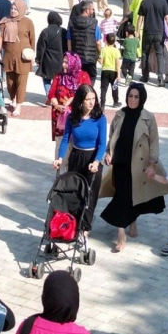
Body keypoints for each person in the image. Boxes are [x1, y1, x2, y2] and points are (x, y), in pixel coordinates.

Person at [100, 83, 168, 252]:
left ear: (142, 98)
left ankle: (132, 221)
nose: (132, 99)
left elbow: (154, 141)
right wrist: (108, 152)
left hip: (139, 164)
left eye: (136, 97)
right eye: (130, 96)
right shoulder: (119, 114)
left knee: (134, 195)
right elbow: (112, 136)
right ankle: (121, 232)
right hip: (120, 162)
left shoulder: (148, 117)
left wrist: (152, 163)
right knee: (122, 195)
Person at [54, 84, 107, 235]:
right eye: (88, 99)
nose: (91, 102)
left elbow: (102, 143)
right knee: (75, 192)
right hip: (76, 157)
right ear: (80, 101)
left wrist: (96, 162)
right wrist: (60, 158)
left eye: (93, 99)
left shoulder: (100, 118)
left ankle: (85, 228)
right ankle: (73, 222)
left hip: (93, 158)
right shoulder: (72, 117)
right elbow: (65, 139)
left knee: (90, 194)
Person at [46, 53, 91, 145]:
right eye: (63, 61)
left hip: (77, 115)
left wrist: (72, 99)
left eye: (67, 62)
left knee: (76, 144)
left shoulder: (83, 76)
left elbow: (87, 93)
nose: (63, 65)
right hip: (60, 116)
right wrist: (57, 105)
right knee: (61, 144)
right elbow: (51, 94)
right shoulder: (59, 76)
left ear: (74, 63)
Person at [1, 0, 36, 115]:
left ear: (21, 9)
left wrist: (32, 54)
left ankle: (19, 105)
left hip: (23, 58)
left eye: (16, 9)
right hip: (9, 56)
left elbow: (32, 39)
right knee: (10, 83)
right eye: (12, 8)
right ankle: (13, 98)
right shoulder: (5, 21)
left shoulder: (28, 22)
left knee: (21, 82)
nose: (13, 11)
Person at [138, 0, 168, 87]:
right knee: (159, 55)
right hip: (159, 32)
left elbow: (140, 18)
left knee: (145, 54)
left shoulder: (144, 1)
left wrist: (137, 31)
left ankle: (145, 76)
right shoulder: (163, 2)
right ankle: (160, 78)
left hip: (147, 31)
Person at [35, 11, 67, 98]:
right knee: (59, 79)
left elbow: (40, 47)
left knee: (46, 79)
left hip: (48, 59)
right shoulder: (63, 31)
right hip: (61, 59)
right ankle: (58, 95)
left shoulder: (45, 31)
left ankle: (50, 95)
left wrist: (38, 59)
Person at [68, 0, 100, 83]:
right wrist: (100, 53)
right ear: (87, 10)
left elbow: (69, 40)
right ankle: (88, 90)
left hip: (77, 57)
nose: (93, 11)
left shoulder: (72, 22)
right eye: (92, 9)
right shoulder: (94, 23)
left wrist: (70, 54)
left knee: (77, 78)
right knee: (91, 77)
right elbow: (98, 42)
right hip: (90, 57)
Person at [98, 33, 120, 108]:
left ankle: (102, 103)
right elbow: (117, 63)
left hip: (105, 70)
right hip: (114, 71)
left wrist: (97, 58)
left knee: (103, 88)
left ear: (106, 41)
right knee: (114, 87)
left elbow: (101, 62)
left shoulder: (103, 50)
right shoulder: (116, 50)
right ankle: (115, 102)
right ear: (114, 41)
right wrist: (119, 74)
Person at [118, 19, 140, 86]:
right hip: (133, 58)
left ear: (127, 32)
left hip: (126, 57)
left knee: (123, 69)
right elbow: (138, 46)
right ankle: (129, 80)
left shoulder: (126, 40)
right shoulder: (136, 40)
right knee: (131, 70)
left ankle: (127, 77)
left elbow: (124, 46)